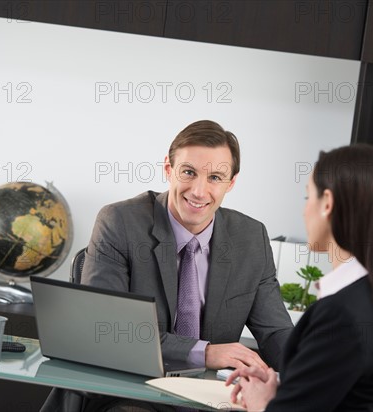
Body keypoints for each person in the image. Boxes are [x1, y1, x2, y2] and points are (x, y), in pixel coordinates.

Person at [227, 144, 373, 411]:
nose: (304, 211)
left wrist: (260, 403)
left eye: (307, 198)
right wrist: (288, 385)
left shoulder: (341, 313)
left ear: (328, 204)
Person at [81, 120, 293, 372]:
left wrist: (320, 373)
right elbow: (106, 327)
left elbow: (276, 332)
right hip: (134, 388)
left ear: (231, 183)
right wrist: (203, 353)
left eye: (215, 177)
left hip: (213, 397)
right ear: (168, 169)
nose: (199, 192)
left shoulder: (251, 238)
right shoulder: (121, 222)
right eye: (189, 172)